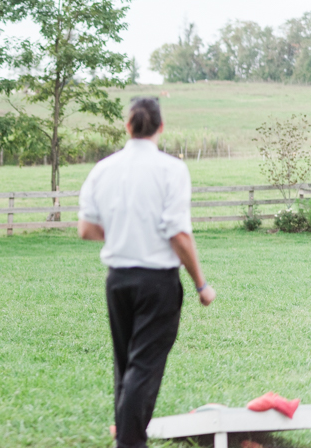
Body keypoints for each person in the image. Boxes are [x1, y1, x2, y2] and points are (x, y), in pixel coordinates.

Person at [77, 97, 216, 448]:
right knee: (145, 367)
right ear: (161, 127)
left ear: (127, 126)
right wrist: (201, 283)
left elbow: (85, 229)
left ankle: (126, 434)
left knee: (125, 364)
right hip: (157, 282)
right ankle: (129, 441)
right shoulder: (171, 169)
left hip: (118, 280)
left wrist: (124, 234)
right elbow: (179, 235)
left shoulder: (103, 168)